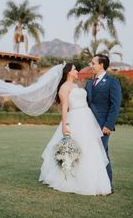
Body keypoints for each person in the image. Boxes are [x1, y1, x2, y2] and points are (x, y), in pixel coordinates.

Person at [39, 63, 112, 195]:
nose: (77, 71)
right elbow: (64, 108)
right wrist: (65, 125)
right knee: (77, 148)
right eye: (74, 69)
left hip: (87, 118)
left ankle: (93, 180)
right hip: (75, 118)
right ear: (68, 72)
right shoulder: (63, 88)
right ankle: (72, 180)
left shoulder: (75, 85)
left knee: (89, 149)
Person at [85, 54, 122, 189]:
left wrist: (109, 125)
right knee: (89, 153)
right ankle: (92, 183)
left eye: (93, 63)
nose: (91, 65)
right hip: (87, 124)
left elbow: (115, 105)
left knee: (102, 153)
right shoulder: (89, 83)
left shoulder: (112, 82)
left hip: (103, 125)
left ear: (101, 65)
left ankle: (107, 185)